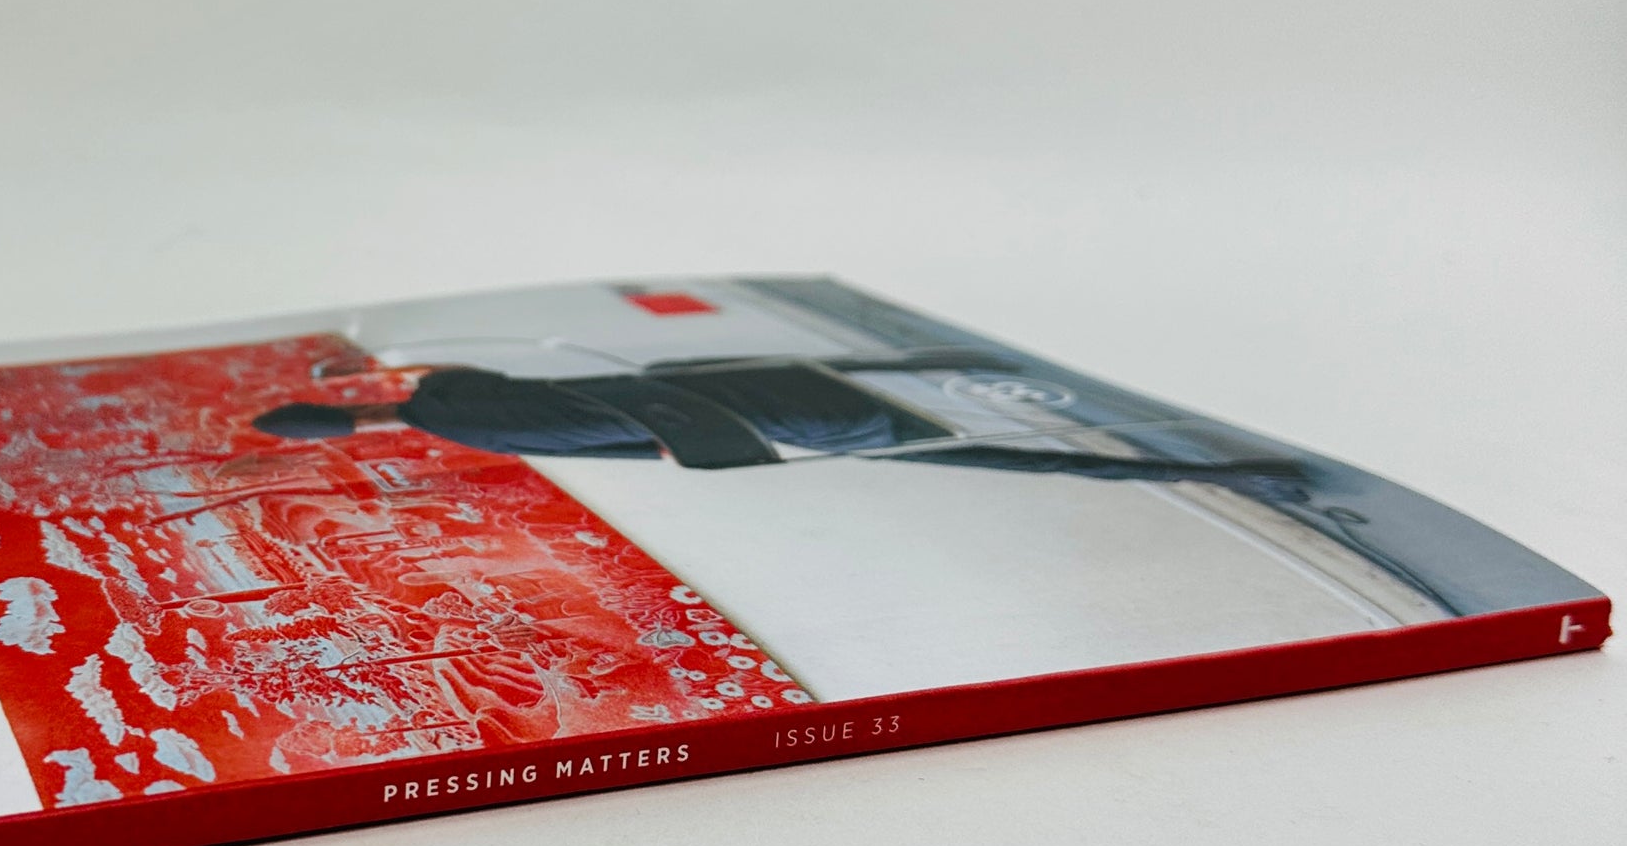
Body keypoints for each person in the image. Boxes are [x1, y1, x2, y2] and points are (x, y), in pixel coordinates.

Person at [251, 350, 1312, 492]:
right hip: (771, 386)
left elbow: (630, 430)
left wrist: (716, 447)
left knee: (1011, 454)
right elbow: (606, 396)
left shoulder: (464, 425)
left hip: (791, 414)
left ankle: (1228, 474)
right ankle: (1223, 469)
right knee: (993, 425)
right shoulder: (453, 395)